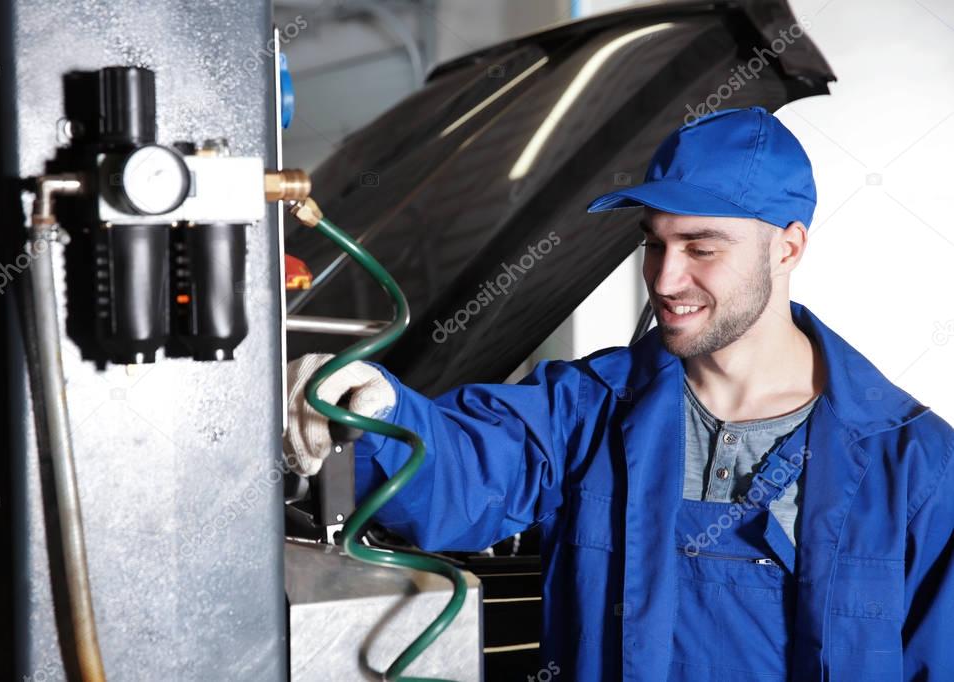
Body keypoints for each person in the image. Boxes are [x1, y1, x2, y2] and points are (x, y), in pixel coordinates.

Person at [285, 107, 954, 681]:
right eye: (654, 244)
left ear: (786, 249)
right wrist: (380, 414)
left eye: (700, 247)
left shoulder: (915, 464)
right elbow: (461, 472)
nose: (663, 279)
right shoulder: (585, 409)